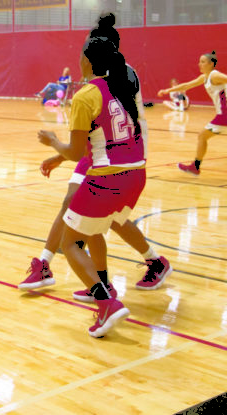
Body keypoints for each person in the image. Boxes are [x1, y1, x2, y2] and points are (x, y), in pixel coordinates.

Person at [21, 13, 170, 299]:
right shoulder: (111, 77)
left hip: (122, 153)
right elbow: (92, 135)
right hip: (107, 151)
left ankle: (138, 267)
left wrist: (59, 148)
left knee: (100, 216)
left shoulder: (116, 77)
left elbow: (103, 129)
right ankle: (88, 276)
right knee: (90, 214)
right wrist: (64, 156)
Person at [36, 37, 148, 337]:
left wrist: (53, 142)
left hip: (108, 178)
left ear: (87, 61)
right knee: (95, 228)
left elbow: (75, 152)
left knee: (70, 242)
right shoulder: (123, 88)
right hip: (137, 175)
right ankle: (104, 283)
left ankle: (106, 301)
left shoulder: (86, 95)